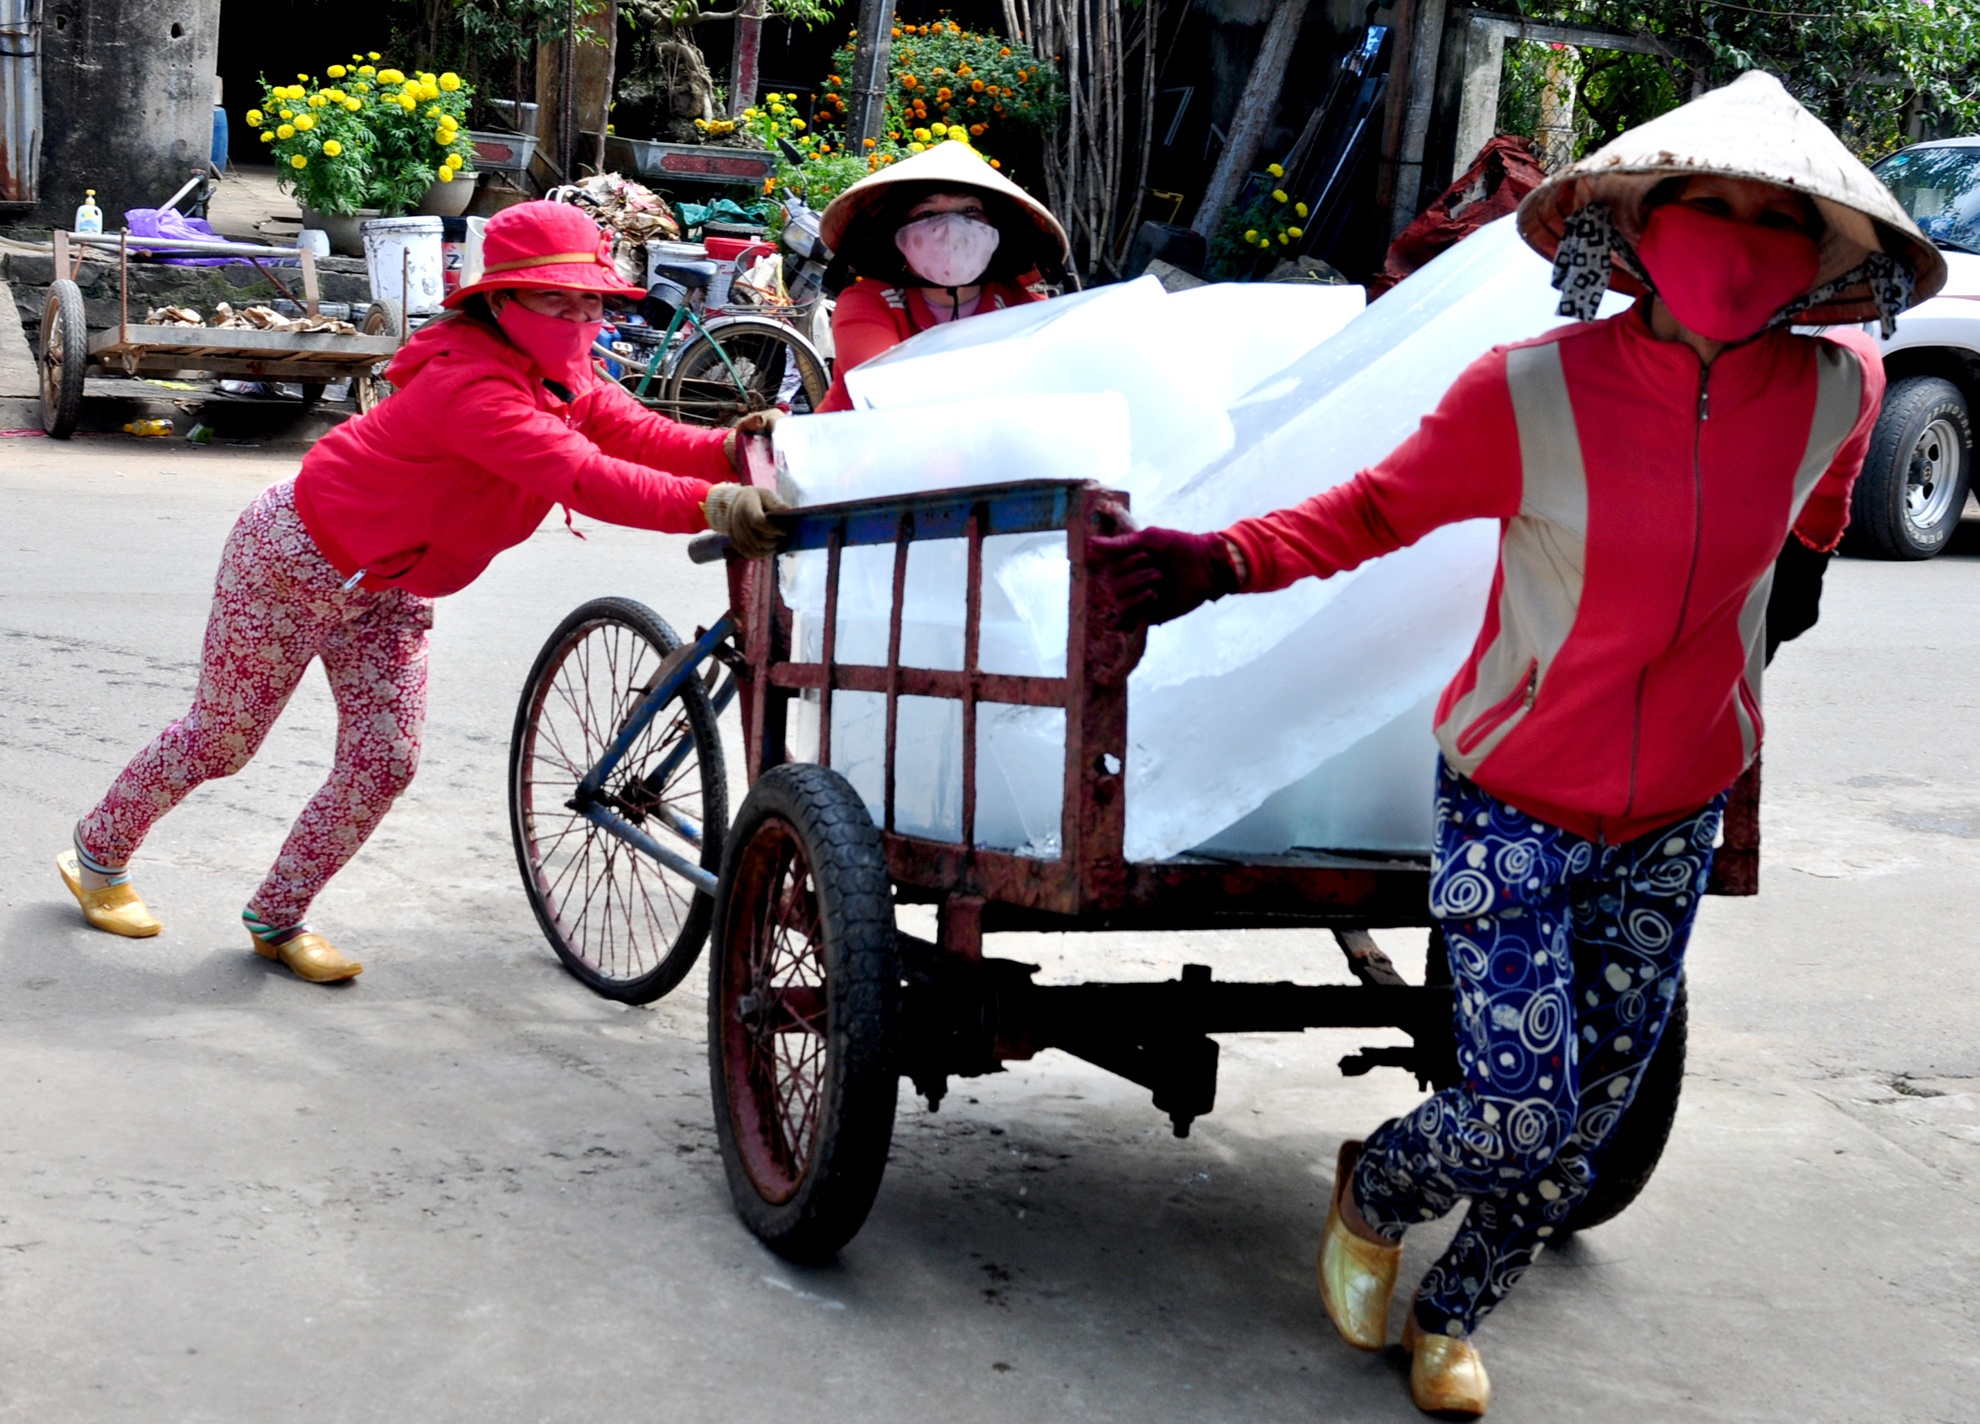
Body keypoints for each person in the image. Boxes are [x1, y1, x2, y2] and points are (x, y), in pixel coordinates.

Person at [1090, 73, 1942, 1416]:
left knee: (1585, 1130)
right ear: (1634, 231)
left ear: (1819, 257)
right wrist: (1215, 560)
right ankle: (1374, 1187)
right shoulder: (1530, 393)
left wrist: (1805, 569)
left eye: (1769, 216)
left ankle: (1452, 1313)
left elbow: (1820, 512)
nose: (1732, 237)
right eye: (1701, 204)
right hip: (1515, 801)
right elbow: (1370, 512)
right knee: (1517, 1110)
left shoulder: (1840, 393)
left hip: (1676, 814)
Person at [57, 201, 789, 985]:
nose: (579, 317)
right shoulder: (469, 387)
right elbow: (581, 475)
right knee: (222, 741)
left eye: (591, 301)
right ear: (500, 301)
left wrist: (728, 449)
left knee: (386, 760)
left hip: (392, 586)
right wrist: (709, 505)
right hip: (294, 562)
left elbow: (635, 434)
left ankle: (279, 915)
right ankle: (97, 856)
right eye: (555, 299)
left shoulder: (565, 370)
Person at [815, 140, 1070, 411]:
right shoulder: (868, 302)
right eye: (927, 213)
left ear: (996, 229)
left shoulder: (1027, 310)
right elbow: (883, 393)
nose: (951, 229)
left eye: (970, 210)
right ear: (898, 236)